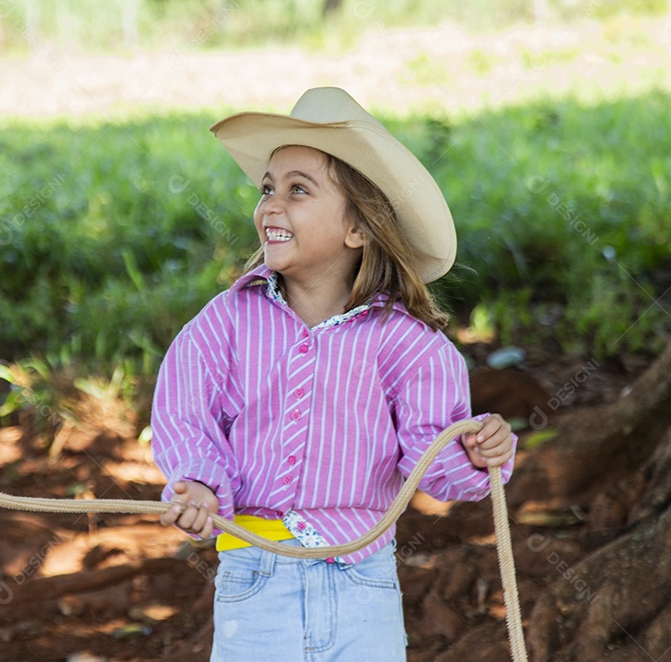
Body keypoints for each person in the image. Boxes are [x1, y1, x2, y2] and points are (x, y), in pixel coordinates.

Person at [151, 87, 516, 662]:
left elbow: (436, 457)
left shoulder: (406, 341)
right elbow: (184, 412)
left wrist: (478, 452)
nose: (271, 205)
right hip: (254, 577)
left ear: (359, 229)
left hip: (361, 583)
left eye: (298, 190)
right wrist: (197, 482)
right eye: (268, 188)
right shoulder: (227, 321)